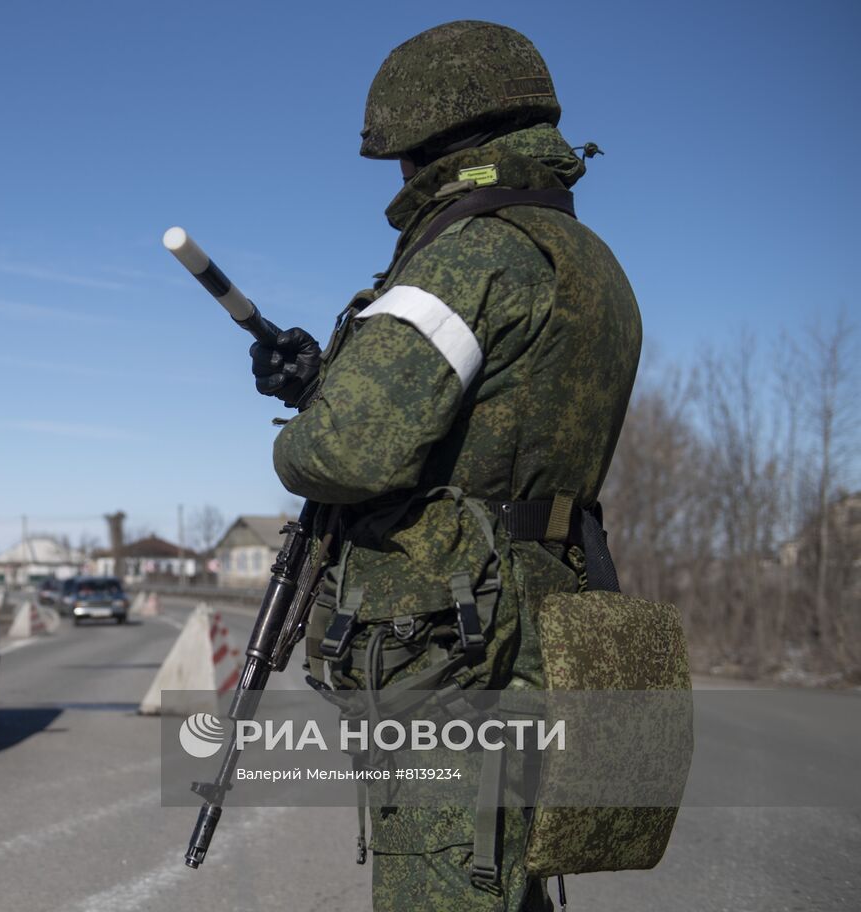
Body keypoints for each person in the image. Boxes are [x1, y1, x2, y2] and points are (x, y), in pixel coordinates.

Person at [251, 20, 641, 912]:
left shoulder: (469, 251)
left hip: (457, 648)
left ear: (433, 145)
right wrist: (327, 378)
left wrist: (301, 425)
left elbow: (344, 450)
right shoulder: (590, 261)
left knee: (446, 879)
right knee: (505, 872)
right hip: (551, 625)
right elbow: (492, 426)